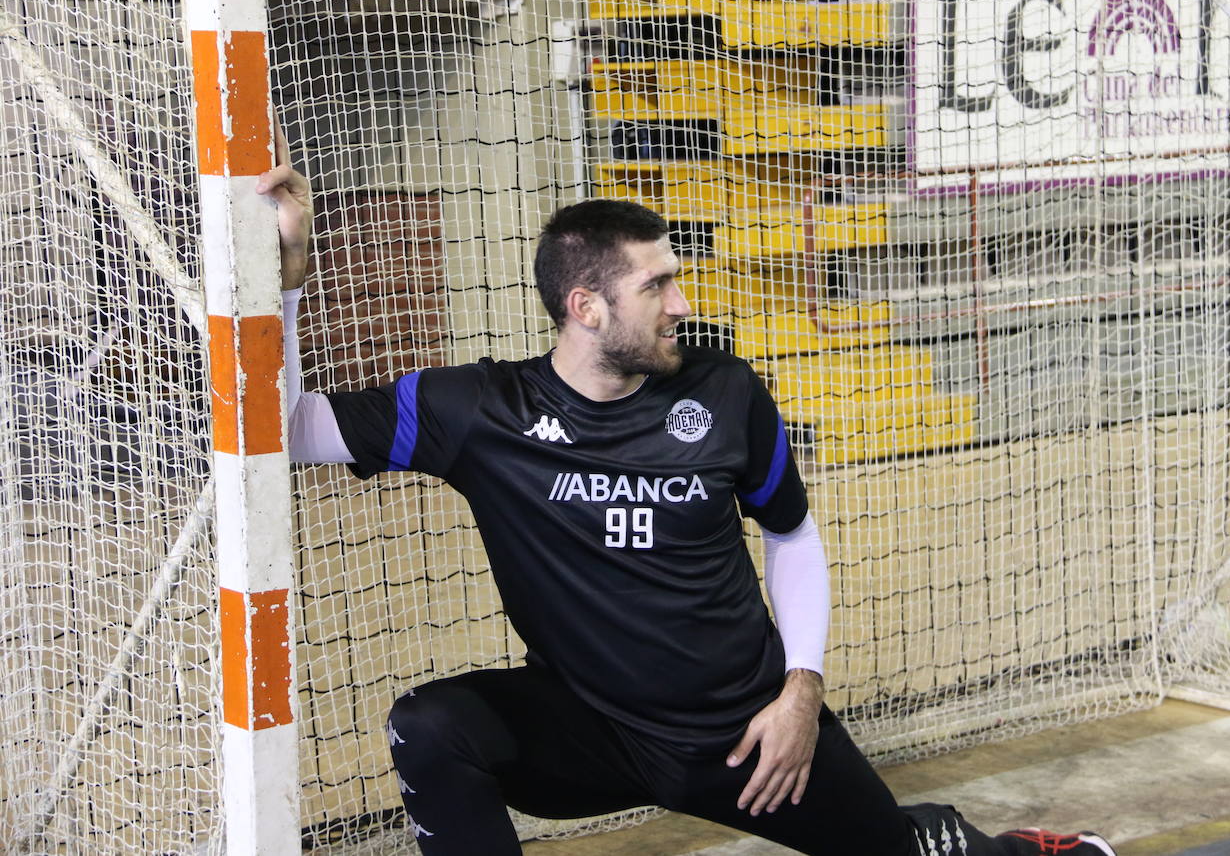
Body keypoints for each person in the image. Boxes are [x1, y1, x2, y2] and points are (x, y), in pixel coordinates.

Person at [257, 149, 1116, 856]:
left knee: (897, 852)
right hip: (589, 731)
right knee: (432, 727)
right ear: (585, 308)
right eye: (657, 287)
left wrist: (801, 694)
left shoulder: (726, 390)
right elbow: (289, 428)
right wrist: (289, 277)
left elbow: (793, 535)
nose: (682, 303)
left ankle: (1002, 849)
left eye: (677, 279)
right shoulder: (480, 411)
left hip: (747, 739)